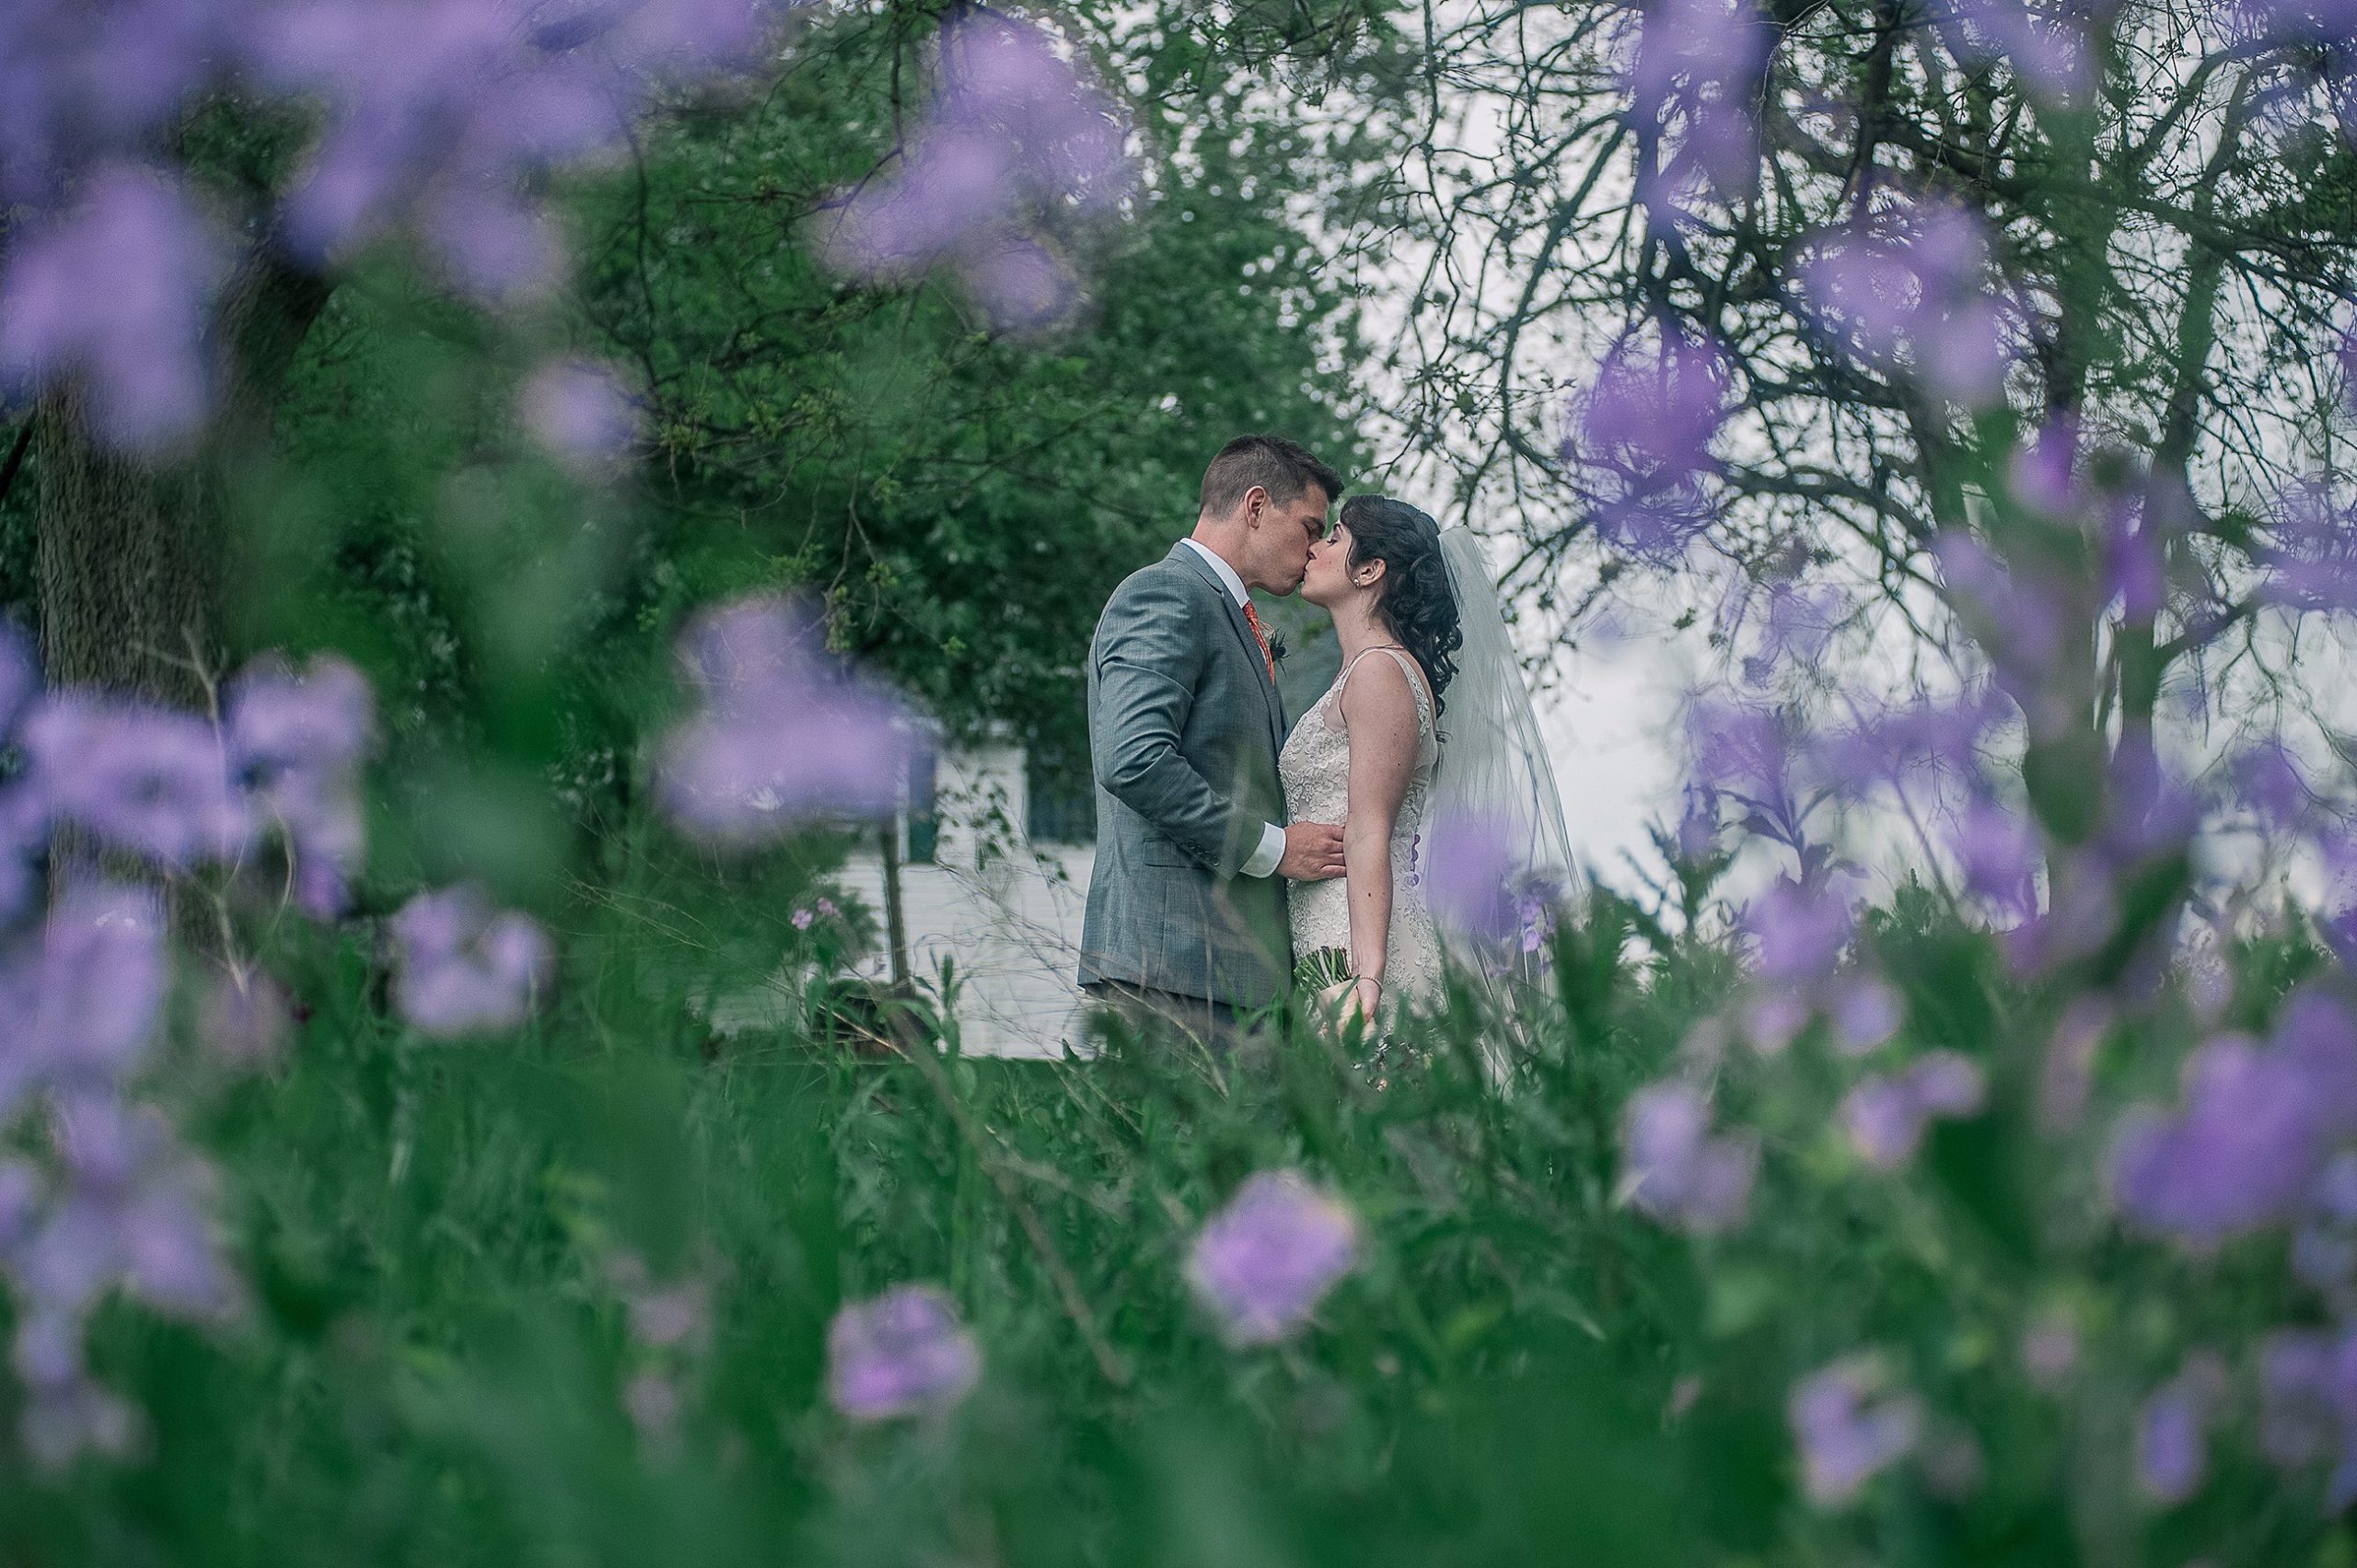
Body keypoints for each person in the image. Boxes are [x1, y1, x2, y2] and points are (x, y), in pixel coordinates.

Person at [1076, 436, 1347, 1049]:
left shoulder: (1228, 612)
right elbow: (1134, 758)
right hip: (1171, 970)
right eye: (1309, 526)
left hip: (1222, 979)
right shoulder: (1167, 593)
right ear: (1255, 506)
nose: (1313, 550)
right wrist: (1275, 848)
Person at [1283, 495, 1575, 1040]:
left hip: (1362, 947)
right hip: (1327, 934)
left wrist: (1366, 975)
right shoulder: (1363, 673)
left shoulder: (1379, 673)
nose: (1314, 547)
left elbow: (1370, 828)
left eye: (1335, 537)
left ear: (1370, 570)